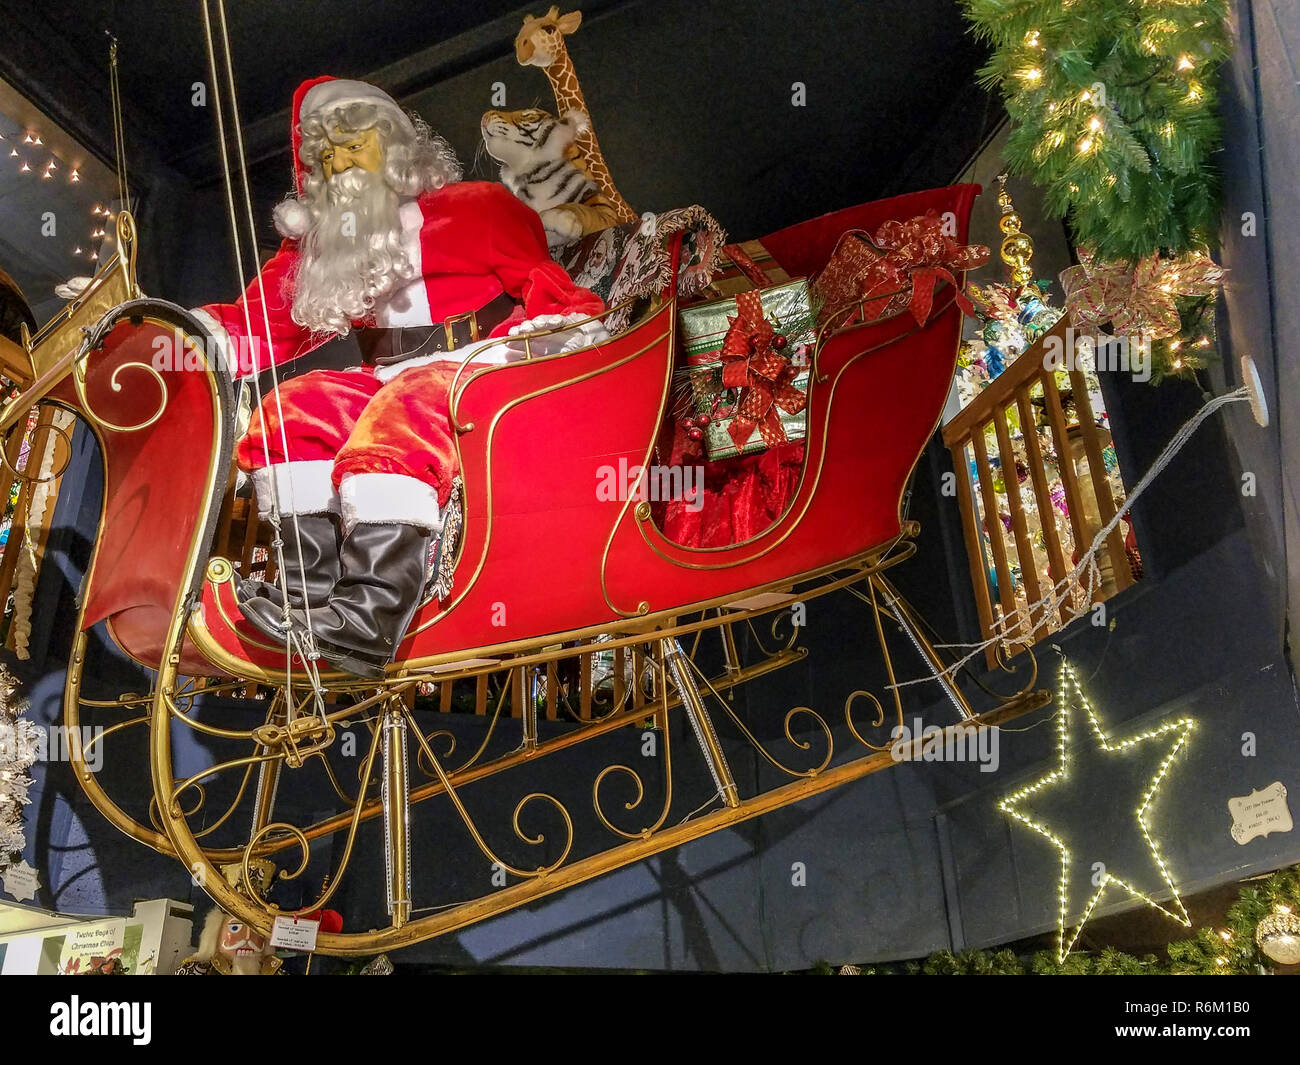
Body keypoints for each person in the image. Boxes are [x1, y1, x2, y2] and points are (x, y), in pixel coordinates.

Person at [196, 77, 606, 677]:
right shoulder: (324, 247)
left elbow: (551, 294)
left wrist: (520, 351)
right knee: (295, 407)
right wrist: (168, 338)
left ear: (395, 146)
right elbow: (259, 328)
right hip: (383, 374)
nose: (340, 165)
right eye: (325, 157)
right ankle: (305, 599)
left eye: (352, 146)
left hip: (477, 366)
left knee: (405, 407)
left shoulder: (480, 206)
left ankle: (370, 616)